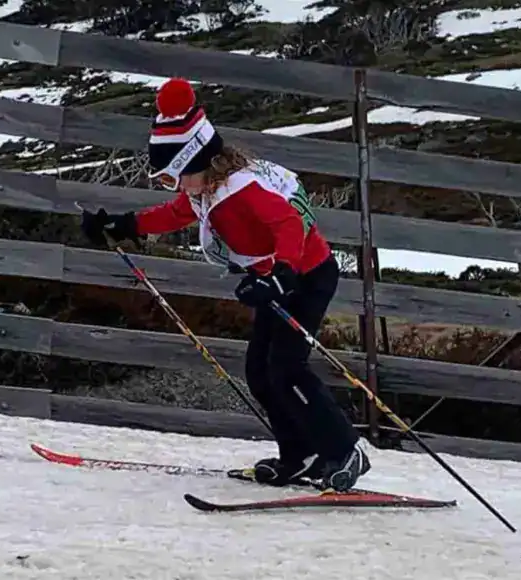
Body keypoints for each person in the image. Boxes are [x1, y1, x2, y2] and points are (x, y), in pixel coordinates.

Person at [79, 77, 369, 492]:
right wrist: (123, 225)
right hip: (273, 280)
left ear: (193, 160)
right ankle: (300, 454)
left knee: (286, 368)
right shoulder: (205, 189)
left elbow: (289, 223)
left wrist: (281, 273)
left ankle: (345, 450)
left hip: (305, 276)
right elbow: (176, 213)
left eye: (172, 177)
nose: (175, 187)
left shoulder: (240, 189)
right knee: (260, 372)